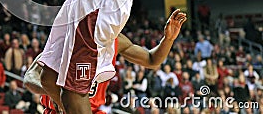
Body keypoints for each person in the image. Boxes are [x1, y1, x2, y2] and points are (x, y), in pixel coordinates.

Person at [25, 9, 187, 114]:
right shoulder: (68, 39)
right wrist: (60, 99)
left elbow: (152, 60)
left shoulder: (116, 41)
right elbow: (30, 78)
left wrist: (168, 39)